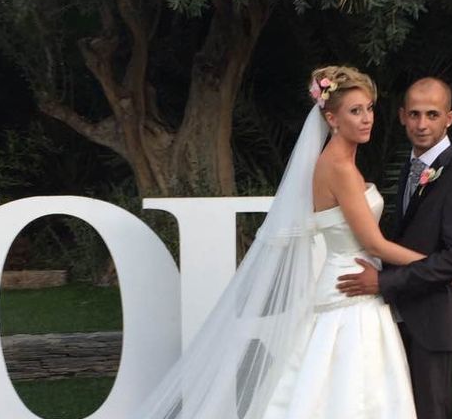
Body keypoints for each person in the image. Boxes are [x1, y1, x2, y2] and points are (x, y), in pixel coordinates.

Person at [136, 66, 423, 419]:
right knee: (354, 386)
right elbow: (373, 243)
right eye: (355, 111)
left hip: (352, 285)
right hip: (351, 289)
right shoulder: (339, 169)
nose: (367, 119)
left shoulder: (341, 163)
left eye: (369, 109)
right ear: (331, 118)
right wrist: (434, 265)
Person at [337, 77, 452, 419]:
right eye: (415, 114)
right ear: (402, 116)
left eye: (432, 115)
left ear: (449, 118)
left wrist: (383, 282)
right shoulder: (411, 167)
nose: (422, 124)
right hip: (397, 315)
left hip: (434, 320)